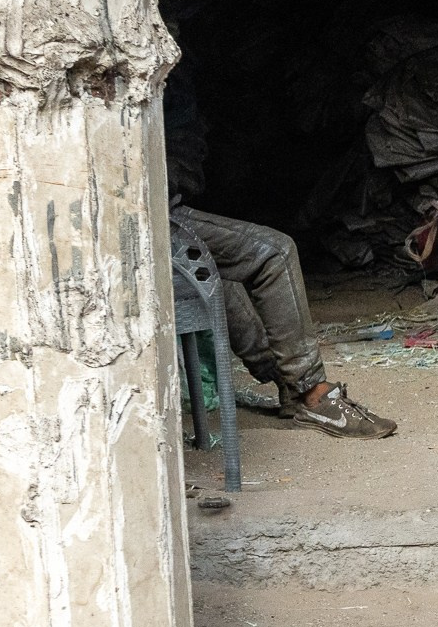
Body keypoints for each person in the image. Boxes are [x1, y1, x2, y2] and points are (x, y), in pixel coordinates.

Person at [164, 58, 397, 440]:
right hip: (152, 213)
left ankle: (289, 384)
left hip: (155, 209)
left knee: (216, 272)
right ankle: (312, 393)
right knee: (275, 252)